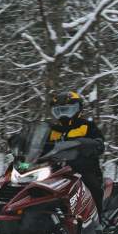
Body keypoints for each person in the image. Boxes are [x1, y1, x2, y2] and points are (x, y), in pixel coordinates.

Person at [46, 90, 105, 218]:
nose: (63, 114)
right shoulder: (52, 130)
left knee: (93, 188)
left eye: (67, 110)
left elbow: (100, 144)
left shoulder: (87, 126)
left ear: (78, 109)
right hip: (55, 170)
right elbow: (39, 146)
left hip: (84, 170)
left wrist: (88, 144)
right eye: (59, 111)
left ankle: (98, 223)